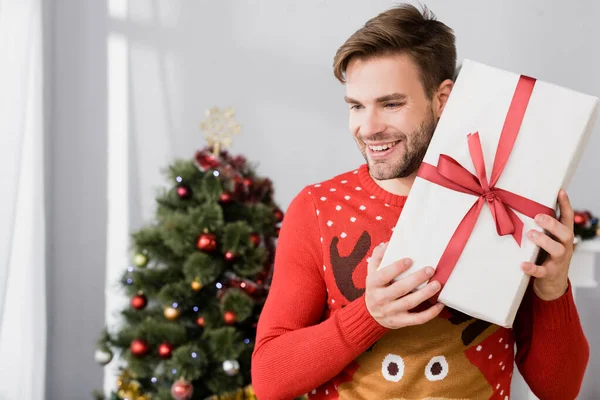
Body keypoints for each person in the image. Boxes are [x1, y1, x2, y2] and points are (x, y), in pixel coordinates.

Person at [251, 4, 589, 400]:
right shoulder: (317, 207)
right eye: (356, 106)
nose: (368, 128)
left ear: (443, 99)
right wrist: (370, 316)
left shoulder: (505, 208)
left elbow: (560, 390)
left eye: (391, 104)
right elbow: (270, 379)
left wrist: (553, 290)